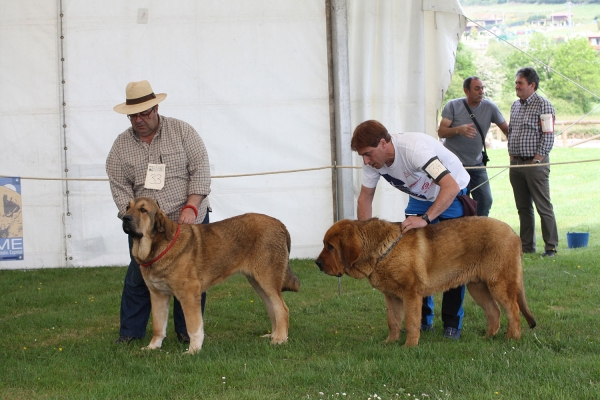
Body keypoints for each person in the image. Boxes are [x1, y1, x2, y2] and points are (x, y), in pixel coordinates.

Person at [106, 80, 211, 344]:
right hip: (146, 227)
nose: (139, 119)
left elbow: (201, 170)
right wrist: (132, 218)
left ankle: (188, 333)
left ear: (156, 108)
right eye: (133, 115)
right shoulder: (120, 147)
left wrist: (191, 206)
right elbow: (119, 188)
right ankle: (130, 334)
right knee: (138, 278)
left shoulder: (183, 132)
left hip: (187, 217)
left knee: (189, 279)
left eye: (144, 113)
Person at [352, 120, 471, 340]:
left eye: (368, 154)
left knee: (453, 260)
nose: (366, 161)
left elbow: (450, 186)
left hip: (452, 194)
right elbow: (365, 198)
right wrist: (365, 240)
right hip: (420, 198)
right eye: (362, 156)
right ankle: (423, 322)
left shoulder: (415, 151)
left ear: (383, 143)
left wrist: (425, 219)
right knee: (412, 263)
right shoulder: (371, 163)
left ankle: (452, 324)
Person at [438, 76, 509, 216]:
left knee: (485, 200)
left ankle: (479, 230)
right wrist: (458, 130)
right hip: (454, 166)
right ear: (466, 91)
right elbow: (441, 132)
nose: (481, 91)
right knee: (456, 203)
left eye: (482, 88)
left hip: (477, 165)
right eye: (477, 88)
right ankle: (460, 232)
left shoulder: (490, 107)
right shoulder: (453, 106)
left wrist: (514, 151)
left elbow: (507, 130)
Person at [507, 67, 558, 257]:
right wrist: (512, 157)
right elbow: (511, 132)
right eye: (516, 83)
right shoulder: (515, 105)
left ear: (532, 85)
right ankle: (527, 247)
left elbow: (548, 136)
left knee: (543, 207)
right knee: (523, 208)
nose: (516, 87)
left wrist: (537, 159)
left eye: (520, 83)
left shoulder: (544, 105)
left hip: (535, 165)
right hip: (517, 164)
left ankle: (551, 247)